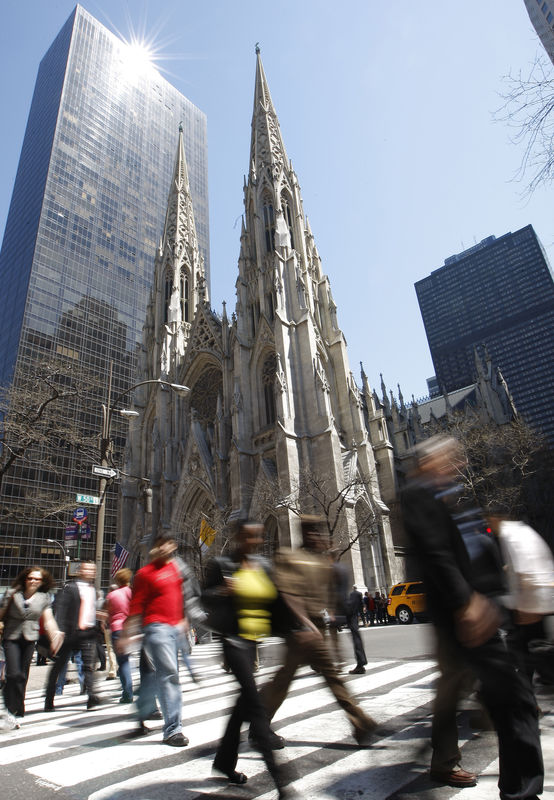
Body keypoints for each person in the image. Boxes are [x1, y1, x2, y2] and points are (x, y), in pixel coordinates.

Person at [401, 435, 543, 798]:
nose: (457, 463)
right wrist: (467, 603)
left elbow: (471, 552)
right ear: (427, 463)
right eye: (448, 458)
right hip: (465, 617)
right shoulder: (419, 495)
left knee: (498, 700)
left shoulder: (451, 497)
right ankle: (516, 788)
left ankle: (497, 779)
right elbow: (436, 555)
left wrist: (507, 598)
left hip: (480, 613)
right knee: (515, 703)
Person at [259, 515, 378, 745]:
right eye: (311, 531)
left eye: (319, 531)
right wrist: (306, 624)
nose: (316, 536)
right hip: (300, 631)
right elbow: (288, 594)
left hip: (316, 631)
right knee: (292, 680)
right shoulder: (290, 557)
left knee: (307, 678)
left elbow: (329, 597)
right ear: (303, 533)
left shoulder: (322, 562)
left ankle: (259, 720)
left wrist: (329, 626)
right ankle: (360, 722)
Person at [203, 519, 291, 797]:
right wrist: (222, 591)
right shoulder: (222, 565)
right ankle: (281, 782)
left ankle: (224, 762)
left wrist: (299, 628)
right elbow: (203, 597)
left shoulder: (263, 566)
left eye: (258, 537)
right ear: (239, 537)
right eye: (250, 536)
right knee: (255, 705)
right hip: (232, 641)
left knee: (242, 706)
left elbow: (278, 602)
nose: (255, 541)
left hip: (254, 642)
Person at [118, 535, 188, 746]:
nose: (165, 549)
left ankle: (141, 714)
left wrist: (184, 620)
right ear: (155, 548)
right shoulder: (145, 574)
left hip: (175, 628)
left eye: (169, 544)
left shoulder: (176, 568)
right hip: (156, 628)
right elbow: (136, 607)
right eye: (160, 545)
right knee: (169, 675)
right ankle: (172, 730)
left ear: (173, 546)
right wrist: (125, 634)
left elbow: (179, 597)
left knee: (151, 678)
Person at [0, 567, 62, 725]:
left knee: (22, 675)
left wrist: (55, 634)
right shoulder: (12, 594)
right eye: (30, 578)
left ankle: (18, 710)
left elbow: (48, 619)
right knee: (13, 674)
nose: (33, 581)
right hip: (11, 636)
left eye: (37, 579)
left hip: (29, 638)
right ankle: (10, 707)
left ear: (42, 582)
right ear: (25, 579)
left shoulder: (44, 597)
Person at [44, 561, 103, 712]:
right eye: (87, 569)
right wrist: (59, 630)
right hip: (70, 633)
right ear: (80, 570)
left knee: (88, 666)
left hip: (88, 633)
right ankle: (49, 698)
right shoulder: (69, 587)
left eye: (92, 570)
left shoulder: (92, 589)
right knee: (59, 666)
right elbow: (60, 607)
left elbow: (88, 610)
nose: (90, 572)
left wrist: (100, 618)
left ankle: (92, 697)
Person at [106, 568, 134, 703]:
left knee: (123, 662)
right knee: (128, 660)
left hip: (117, 630)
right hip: (131, 630)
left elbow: (108, 614)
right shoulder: (132, 593)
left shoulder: (112, 595)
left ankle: (127, 693)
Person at [346, 585, 368, 674]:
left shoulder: (351, 595)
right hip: (354, 618)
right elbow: (361, 606)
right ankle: (361, 663)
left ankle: (361, 663)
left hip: (351, 617)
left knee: (356, 638)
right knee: (357, 638)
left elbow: (350, 608)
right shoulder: (357, 594)